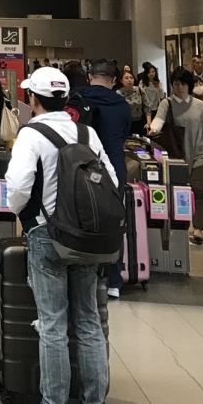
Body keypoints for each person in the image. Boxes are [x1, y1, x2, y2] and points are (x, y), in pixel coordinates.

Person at [5, 67, 118, 404]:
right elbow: (112, 181)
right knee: (88, 320)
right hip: (87, 239)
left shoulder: (31, 133)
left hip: (47, 235)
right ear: (66, 98)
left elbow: (19, 185)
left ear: (33, 99)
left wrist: (23, 214)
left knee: (53, 322)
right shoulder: (87, 133)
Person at [78, 58, 130, 298]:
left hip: (82, 167)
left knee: (80, 220)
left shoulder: (79, 99)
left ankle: (82, 277)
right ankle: (113, 281)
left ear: (90, 76)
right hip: (114, 169)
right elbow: (123, 136)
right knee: (113, 223)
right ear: (114, 80)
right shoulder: (122, 105)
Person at [149, 69, 203, 245]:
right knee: (180, 191)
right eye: (176, 84)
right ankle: (180, 225)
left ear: (190, 85)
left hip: (200, 153)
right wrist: (154, 128)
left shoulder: (200, 105)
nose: (180, 87)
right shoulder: (167, 103)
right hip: (177, 155)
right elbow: (159, 120)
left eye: (183, 84)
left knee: (198, 188)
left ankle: (198, 228)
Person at [117, 67, 146, 135]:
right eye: (126, 78)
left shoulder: (139, 90)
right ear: (121, 80)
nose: (129, 80)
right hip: (125, 123)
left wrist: (148, 123)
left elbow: (146, 107)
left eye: (131, 78)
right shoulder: (118, 93)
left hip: (140, 122)